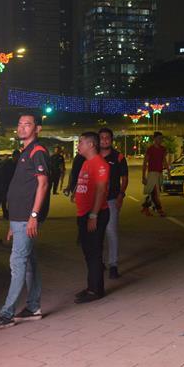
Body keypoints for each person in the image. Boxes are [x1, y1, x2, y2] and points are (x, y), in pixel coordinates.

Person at [0, 114, 50, 332]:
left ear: (37, 128)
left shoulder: (37, 151)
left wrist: (33, 216)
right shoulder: (25, 152)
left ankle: (7, 313)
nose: (21, 128)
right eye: (19, 124)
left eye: (27, 124)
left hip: (26, 218)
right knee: (29, 263)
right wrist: (13, 222)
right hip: (19, 219)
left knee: (17, 263)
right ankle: (33, 308)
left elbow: (43, 185)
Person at [73, 132, 110, 304]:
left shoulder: (100, 164)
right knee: (88, 253)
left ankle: (96, 290)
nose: (78, 145)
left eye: (81, 142)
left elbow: (101, 190)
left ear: (91, 145)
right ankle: (91, 287)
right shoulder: (86, 163)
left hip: (95, 214)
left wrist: (93, 215)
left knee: (94, 253)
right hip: (84, 214)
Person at [98, 128, 128, 279]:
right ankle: (99, 262)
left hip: (111, 200)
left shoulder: (118, 157)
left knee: (111, 232)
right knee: (97, 234)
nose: (104, 140)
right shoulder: (93, 157)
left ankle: (113, 265)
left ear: (111, 140)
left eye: (107, 138)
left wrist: (121, 195)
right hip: (95, 201)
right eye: (102, 138)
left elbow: (125, 178)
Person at [141, 132, 169, 217]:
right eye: (158, 138)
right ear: (154, 139)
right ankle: (159, 209)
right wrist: (143, 176)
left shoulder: (163, 149)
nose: (160, 140)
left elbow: (164, 160)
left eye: (161, 138)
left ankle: (145, 207)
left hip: (159, 172)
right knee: (155, 192)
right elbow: (145, 162)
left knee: (153, 192)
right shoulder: (150, 149)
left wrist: (168, 171)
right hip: (152, 173)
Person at [0, 150, 20, 219]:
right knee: (4, 200)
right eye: (16, 156)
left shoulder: (19, 164)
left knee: (13, 200)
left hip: (15, 185)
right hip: (6, 184)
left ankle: (11, 213)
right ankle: (6, 213)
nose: (17, 157)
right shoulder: (8, 163)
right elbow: (3, 173)